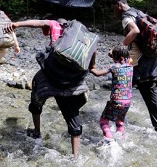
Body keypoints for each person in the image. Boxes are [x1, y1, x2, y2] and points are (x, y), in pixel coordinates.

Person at [11, 18, 95, 157]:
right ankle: (75, 155)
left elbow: (38, 23)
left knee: (36, 98)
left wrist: (17, 24)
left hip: (50, 76)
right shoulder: (83, 36)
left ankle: (37, 132)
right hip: (73, 80)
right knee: (73, 116)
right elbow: (92, 54)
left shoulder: (54, 25)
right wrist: (92, 67)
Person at [111, 0, 157, 135]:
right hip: (152, 61)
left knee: (121, 92)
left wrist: (119, 47)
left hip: (138, 65)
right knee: (151, 96)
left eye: (114, 9)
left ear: (119, 5)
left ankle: (115, 126)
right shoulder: (138, 12)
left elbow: (134, 31)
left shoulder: (126, 17)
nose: (114, 13)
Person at [90, 45, 133, 140]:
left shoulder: (113, 67)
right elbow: (120, 58)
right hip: (127, 102)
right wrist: (116, 55)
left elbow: (96, 73)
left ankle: (109, 140)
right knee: (120, 122)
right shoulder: (130, 66)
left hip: (116, 101)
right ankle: (121, 138)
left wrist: (93, 57)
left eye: (113, 58)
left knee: (104, 121)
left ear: (119, 58)